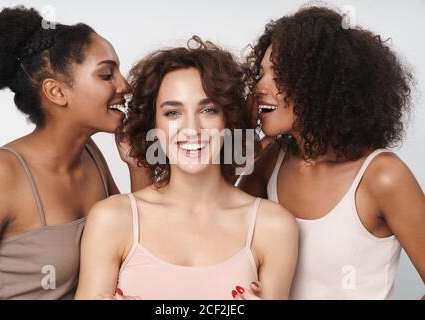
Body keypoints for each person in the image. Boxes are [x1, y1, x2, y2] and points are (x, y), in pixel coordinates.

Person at [75, 37, 298, 300]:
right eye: (172, 113)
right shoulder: (112, 219)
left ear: (228, 120)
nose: (192, 129)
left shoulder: (273, 226)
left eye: (208, 110)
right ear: (153, 126)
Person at [237, 6, 425, 299]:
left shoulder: (383, 176)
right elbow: (212, 231)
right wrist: (238, 138)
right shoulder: (272, 160)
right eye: (261, 73)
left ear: (321, 82)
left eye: (279, 74)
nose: (259, 86)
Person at [0, 6, 143, 299]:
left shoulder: (90, 155)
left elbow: (137, 247)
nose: (124, 85)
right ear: (56, 92)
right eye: (106, 75)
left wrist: (137, 164)